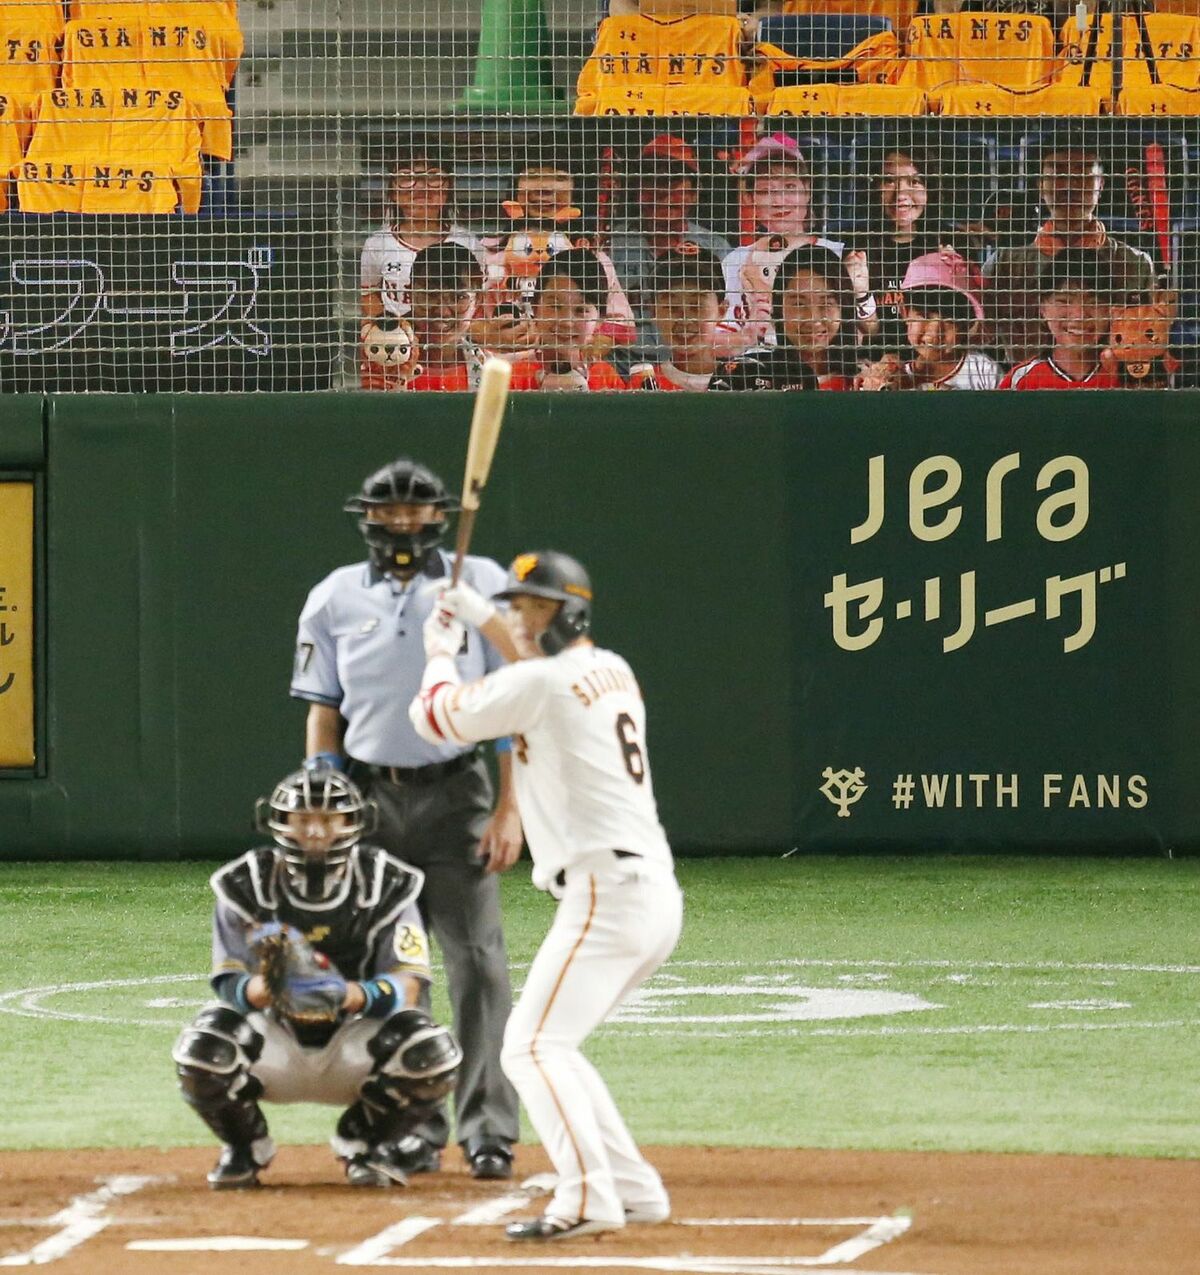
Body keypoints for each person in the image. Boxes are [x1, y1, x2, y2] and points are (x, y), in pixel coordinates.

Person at [409, 551, 683, 1240]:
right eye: (514, 605)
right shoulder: (610, 667)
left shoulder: (543, 684)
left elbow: (434, 719)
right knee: (553, 1042)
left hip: (605, 894)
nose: (519, 617)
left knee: (529, 1047)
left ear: (569, 613)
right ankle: (630, 1186)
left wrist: (442, 651)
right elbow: (531, 669)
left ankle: (589, 1197)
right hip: (649, 892)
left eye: (533, 606)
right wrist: (479, 617)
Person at [289, 457, 521, 1180]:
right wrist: (321, 788)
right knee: (393, 970)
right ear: (367, 516)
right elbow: (323, 709)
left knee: (478, 964)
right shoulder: (333, 597)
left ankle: (489, 1127)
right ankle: (412, 1122)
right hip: (368, 804)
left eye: (415, 512)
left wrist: (512, 805)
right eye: (388, 512)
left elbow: (513, 697)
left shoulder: (475, 580)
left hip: (458, 795)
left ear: (438, 517)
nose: (401, 524)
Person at [171, 764, 462, 1189]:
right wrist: (272, 988)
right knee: (203, 1047)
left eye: (328, 819)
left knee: (431, 1052)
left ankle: (366, 1143)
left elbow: (408, 982)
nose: (314, 831)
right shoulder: (246, 883)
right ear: (278, 820)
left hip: (353, 1039)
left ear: (354, 822)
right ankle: (244, 1146)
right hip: (276, 1038)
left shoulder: (387, 883)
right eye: (302, 818)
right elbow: (227, 979)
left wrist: (350, 995)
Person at [982, 139, 1156, 367]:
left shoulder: (1136, 264)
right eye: (1057, 175)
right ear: (1040, 185)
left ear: (1101, 184)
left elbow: (1149, 342)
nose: (1069, 186)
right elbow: (978, 338)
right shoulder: (1003, 263)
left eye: (1082, 175)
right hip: (1025, 393)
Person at [720, 134, 865, 350]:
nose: (779, 201)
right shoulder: (736, 261)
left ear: (807, 190)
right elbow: (718, 339)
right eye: (766, 191)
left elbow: (860, 336)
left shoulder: (840, 255)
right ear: (749, 198)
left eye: (789, 187)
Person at [478, 161, 636, 359]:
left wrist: (585, 353)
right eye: (533, 176)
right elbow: (464, 317)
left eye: (559, 178)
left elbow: (621, 322)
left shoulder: (594, 259)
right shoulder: (487, 255)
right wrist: (487, 335)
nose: (543, 189)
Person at [606, 135, 733, 367]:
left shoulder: (718, 249)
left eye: (673, 180)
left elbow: (732, 324)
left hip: (694, 368)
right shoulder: (611, 245)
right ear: (637, 190)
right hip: (623, 368)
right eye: (652, 179)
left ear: (694, 193)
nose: (662, 191)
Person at [359, 155, 485, 389]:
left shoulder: (468, 242)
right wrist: (389, 331)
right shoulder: (377, 244)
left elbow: (478, 301)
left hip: (453, 349)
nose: (421, 187)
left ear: (448, 187)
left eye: (434, 176)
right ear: (392, 189)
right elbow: (369, 296)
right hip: (397, 351)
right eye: (407, 177)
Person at [852, 148, 959, 356]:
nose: (901, 195)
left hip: (933, 363)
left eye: (914, 182)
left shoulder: (949, 245)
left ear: (930, 190)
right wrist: (860, 294)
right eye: (889, 181)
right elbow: (870, 334)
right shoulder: (857, 249)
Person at [857, 249, 1000, 391]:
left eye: (949, 320)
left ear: (967, 325)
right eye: (924, 315)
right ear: (905, 312)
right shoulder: (891, 378)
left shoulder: (984, 371)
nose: (934, 333)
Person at [708, 246, 845, 391]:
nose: (813, 318)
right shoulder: (742, 375)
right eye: (799, 304)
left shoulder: (865, 378)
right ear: (779, 308)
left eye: (826, 303)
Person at [999, 247, 1120, 389]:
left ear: (1112, 311)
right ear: (1042, 308)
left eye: (1094, 302)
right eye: (1064, 301)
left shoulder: (1128, 376)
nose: (1079, 316)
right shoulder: (1019, 381)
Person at [508, 248, 628, 391]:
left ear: (599, 319)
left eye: (580, 310)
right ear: (535, 308)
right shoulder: (514, 376)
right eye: (555, 306)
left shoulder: (606, 378)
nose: (566, 321)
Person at [635, 248, 726, 391]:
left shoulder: (744, 380)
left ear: (721, 311)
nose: (684, 319)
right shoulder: (643, 384)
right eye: (672, 307)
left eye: (696, 306)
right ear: (653, 311)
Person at [406, 243, 487, 392]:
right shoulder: (378, 364)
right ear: (409, 294)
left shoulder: (492, 368)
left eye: (458, 297)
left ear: (479, 300)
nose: (443, 312)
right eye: (430, 295)